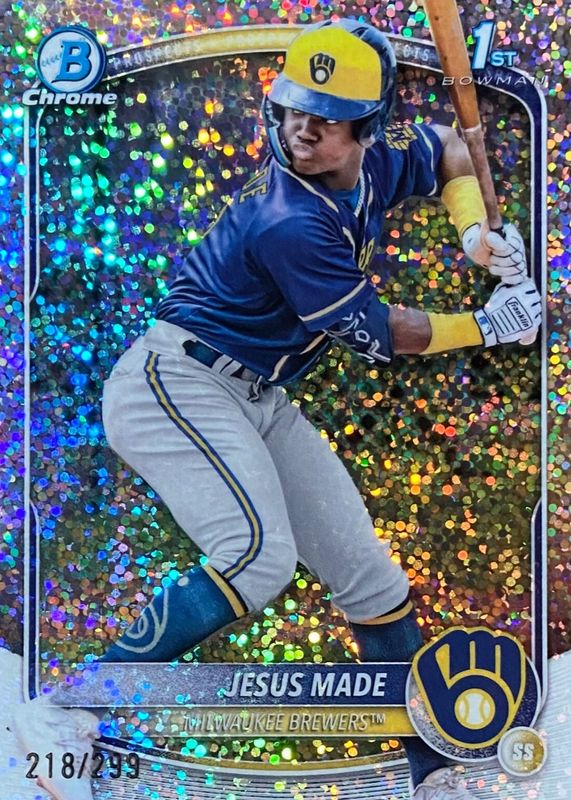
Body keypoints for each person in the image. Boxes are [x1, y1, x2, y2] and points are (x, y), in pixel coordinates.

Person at [13, 19, 541, 800]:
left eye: (326, 117)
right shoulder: (287, 216)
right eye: (294, 109)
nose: (302, 128)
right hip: (174, 381)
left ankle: (430, 769)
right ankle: (69, 708)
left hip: (255, 394)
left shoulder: (372, 166)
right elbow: (376, 332)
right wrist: (487, 325)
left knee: (369, 577)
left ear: (365, 129)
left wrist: (472, 234)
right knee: (256, 558)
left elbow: (447, 149)